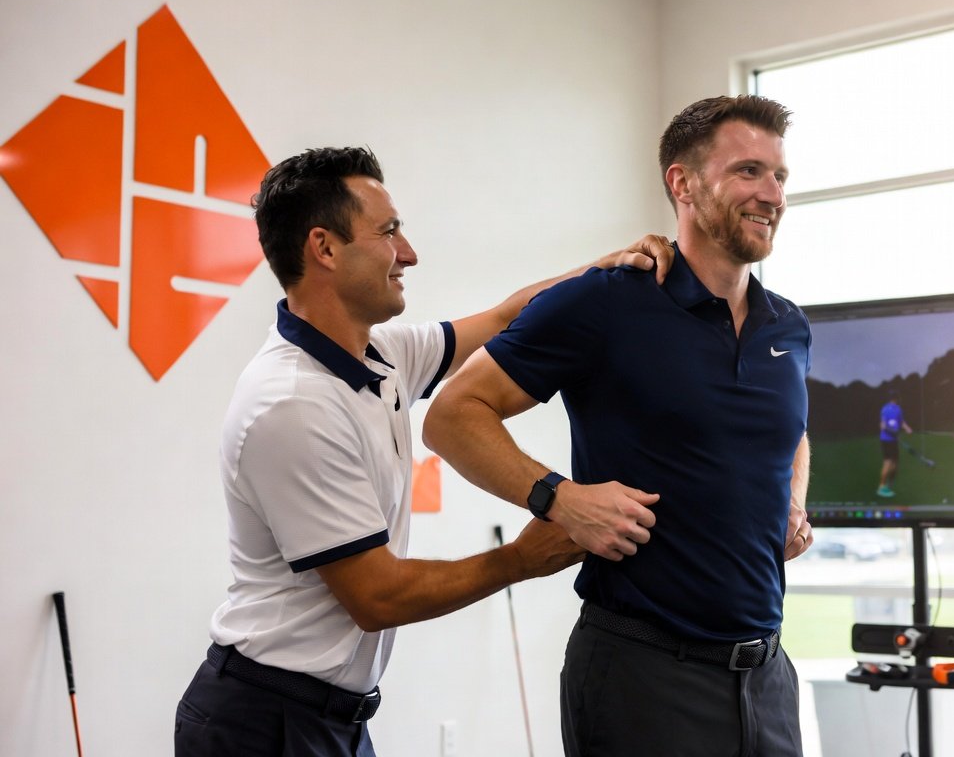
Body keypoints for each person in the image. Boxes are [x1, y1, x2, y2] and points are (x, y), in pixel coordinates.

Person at [173, 146, 674, 756]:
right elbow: (377, 596)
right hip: (265, 722)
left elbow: (505, 317)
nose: (408, 253)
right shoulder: (293, 403)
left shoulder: (379, 355)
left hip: (332, 716)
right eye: (388, 232)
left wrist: (607, 271)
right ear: (324, 248)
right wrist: (518, 559)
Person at [423, 95, 814, 757]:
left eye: (779, 175)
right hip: (643, 676)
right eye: (748, 171)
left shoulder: (789, 325)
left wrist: (794, 500)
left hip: (767, 679)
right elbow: (452, 415)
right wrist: (558, 498)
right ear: (682, 183)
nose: (771, 194)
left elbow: (791, 430)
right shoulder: (606, 302)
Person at [878, 391, 913, 497]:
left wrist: (907, 428)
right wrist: (893, 431)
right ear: (896, 398)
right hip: (886, 440)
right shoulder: (885, 409)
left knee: (895, 464)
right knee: (888, 463)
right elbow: (882, 426)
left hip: (893, 441)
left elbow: (901, 422)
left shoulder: (898, 409)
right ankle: (881, 487)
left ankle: (888, 486)